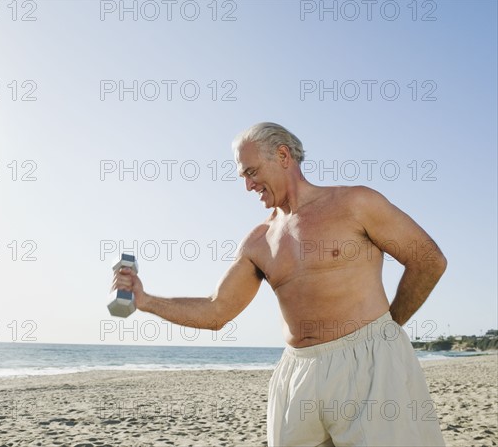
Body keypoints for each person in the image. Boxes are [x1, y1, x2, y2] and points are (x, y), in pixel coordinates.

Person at [112, 122, 447, 446]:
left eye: (251, 172)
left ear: (283, 156)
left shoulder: (355, 203)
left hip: (369, 363)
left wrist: (387, 328)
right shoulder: (259, 241)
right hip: (297, 373)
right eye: (243, 176)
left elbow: (428, 260)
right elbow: (216, 311)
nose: (247, 186)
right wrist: (146, 300)